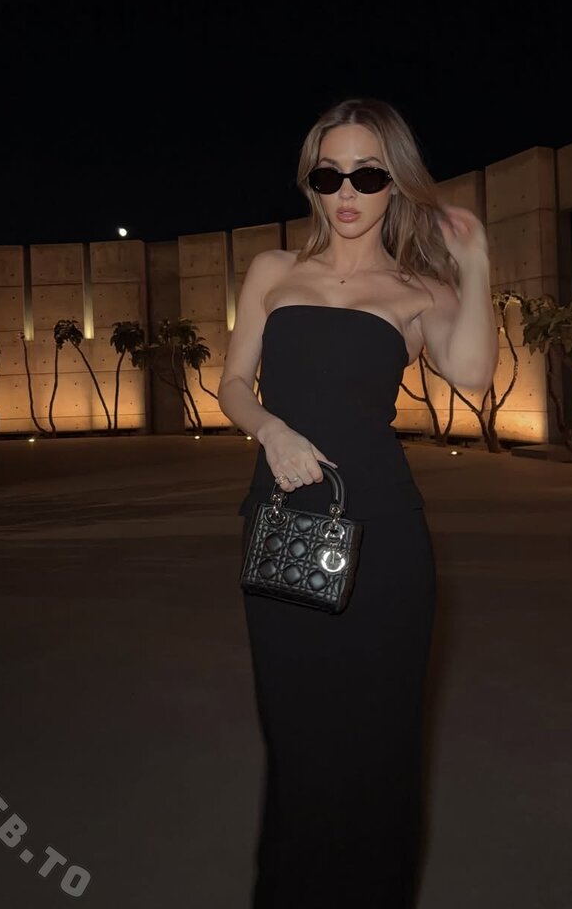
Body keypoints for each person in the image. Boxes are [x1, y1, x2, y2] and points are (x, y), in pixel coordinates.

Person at [217, 97, 496, 908]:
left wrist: (476, 265)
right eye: (329, 174)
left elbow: (474, 374)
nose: (346, 191)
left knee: (380, 749)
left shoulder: (418, 289)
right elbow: (232, 384)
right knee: (298, 747)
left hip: (386, 543)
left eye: (367, 175)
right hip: (282, 531)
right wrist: (270, 430)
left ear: (394, 183)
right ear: (310, 181)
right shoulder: (272, 271)